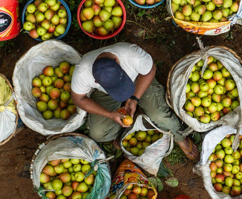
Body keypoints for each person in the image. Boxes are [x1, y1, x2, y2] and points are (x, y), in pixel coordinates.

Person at [70, 42, 198, 159]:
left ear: (116, 61)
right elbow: (79, 98)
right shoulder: (83, 72)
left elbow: (150, 70)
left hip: (137, 80)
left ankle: (180, 137)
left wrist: (134, 98)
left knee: (159, 115)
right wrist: (109, 114)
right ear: (96, 81)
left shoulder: (132, 55)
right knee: (97, 133)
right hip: (106, 94)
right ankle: (129, 128)